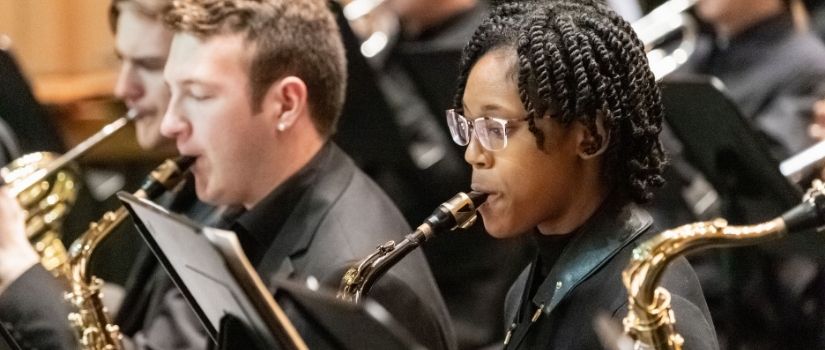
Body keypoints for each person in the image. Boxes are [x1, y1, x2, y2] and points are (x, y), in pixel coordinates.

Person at [159, 0, 455, 349]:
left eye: (198, 95)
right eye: (171, 92)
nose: (169, 124)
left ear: (286, 104)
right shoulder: (243, 212)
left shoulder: (361, 284)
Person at [446, 1, 718, 348]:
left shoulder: (653, 310)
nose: (473, 154)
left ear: (590, 137)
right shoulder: (525, 287)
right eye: (468, 126)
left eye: (496, 128)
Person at [0, 1, 220, 349]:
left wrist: (17, 267)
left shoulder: (223, 200)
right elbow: (154, 317)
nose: (122, 88)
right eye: (122, 61)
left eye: (149, 66)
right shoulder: (181, 181)